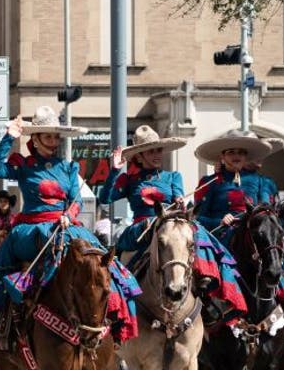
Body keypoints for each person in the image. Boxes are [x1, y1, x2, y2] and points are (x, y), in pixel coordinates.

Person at [0, 107, 141, 350]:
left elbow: (76, 200)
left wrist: (69, 214)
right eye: (48, 136)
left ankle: (108, 323)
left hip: (65, 224)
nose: (54, 141)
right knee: (16, 260)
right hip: (32, 227)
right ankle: (6, 324)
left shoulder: (68, 167)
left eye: (56, 136)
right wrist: (9, 138)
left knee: (99, 259)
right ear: (35, 139)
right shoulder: (24, 165)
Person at [97, 124, 246, 324]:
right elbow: (105, 198)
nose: (157, 155)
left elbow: (178, 199)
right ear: (140, 155)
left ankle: (208, 287)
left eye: (158, 150)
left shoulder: (173, 176)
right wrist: (114, 171)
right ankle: (121, 298)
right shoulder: (129, 179)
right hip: (142, 229)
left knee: (197, 233)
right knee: (122, 264)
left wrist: (180, 202)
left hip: (170, 224)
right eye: (151, 151)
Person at [193, 129, 284, 345]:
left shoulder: (264, 182)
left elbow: (268, 211)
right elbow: (198, 217)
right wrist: (219, 220)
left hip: (257, 233)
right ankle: (210, 307)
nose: (236, 156)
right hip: (223, 235)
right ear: (222, 156)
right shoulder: (210, 183)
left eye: (241, 152)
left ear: (247, 157)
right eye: (231, 152)